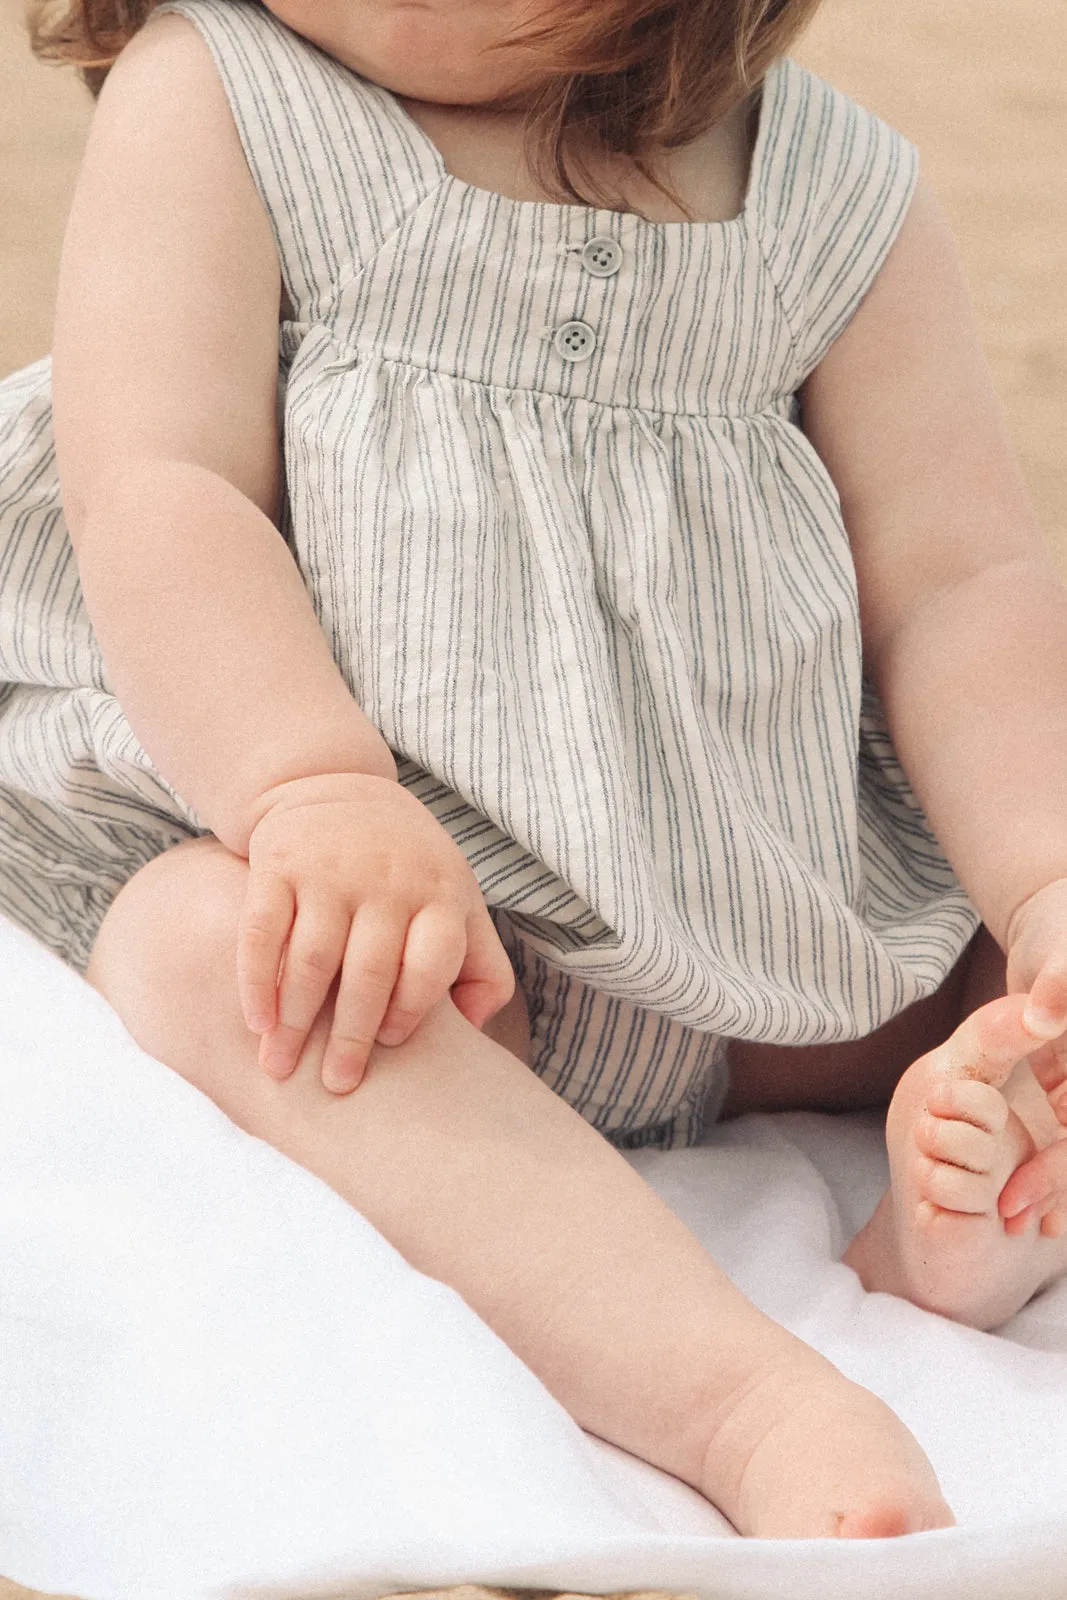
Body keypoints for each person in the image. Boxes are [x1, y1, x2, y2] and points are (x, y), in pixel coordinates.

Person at [2, 0, 1066, 1540]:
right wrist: (309, 787)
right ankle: (735, 1394)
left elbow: (954, 581)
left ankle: (974, 1220)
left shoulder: (836, 196)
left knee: (1013, 984)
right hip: (367, 889)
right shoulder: (226, 98)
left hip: (724, 913)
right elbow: (159, 482)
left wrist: (1035, 887)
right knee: (214, 955)